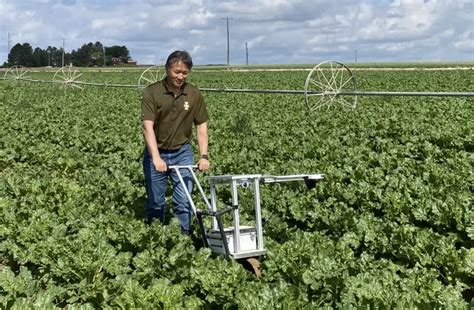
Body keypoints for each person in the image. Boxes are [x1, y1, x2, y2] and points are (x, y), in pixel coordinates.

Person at [141, 50, 209, 234]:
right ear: (167, 69)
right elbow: (148, 127)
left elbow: (201, 125)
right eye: (176, 72)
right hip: (157, 152)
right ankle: (155, 239)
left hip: (182, 152)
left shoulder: (193, 94)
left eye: (184, 73)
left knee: (184, 200)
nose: (180, 76)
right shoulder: (152, 92)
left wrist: (204, 156)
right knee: (156, 202)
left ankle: (183, 239)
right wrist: (156, 157)